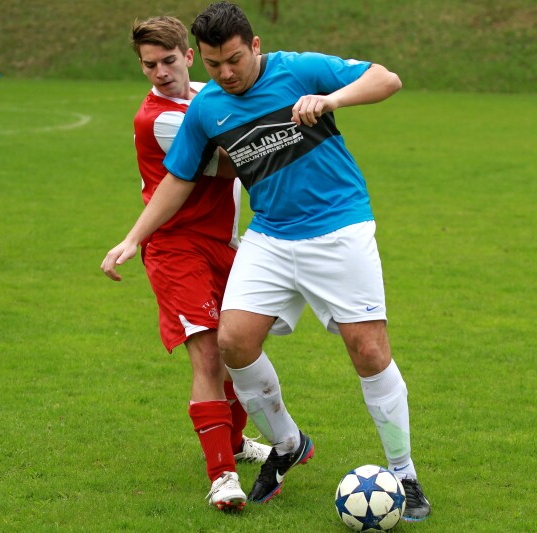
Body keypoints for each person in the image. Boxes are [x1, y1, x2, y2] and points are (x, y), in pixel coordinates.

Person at [101, 1, 432, 522]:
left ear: (255, 46)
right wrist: (131, 238)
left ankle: (405, 474)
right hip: (271, 235)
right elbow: (179, 178)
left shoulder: (298, 69)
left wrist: (330, 99)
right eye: (214, 64)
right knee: (232, 342)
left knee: (368, 350)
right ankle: (287, 442)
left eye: (234, 60)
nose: (226, 74)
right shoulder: (208, 108)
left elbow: (386, 79)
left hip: (339, 227)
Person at [105, 16, 270, 511]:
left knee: (238, 349)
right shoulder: (156, 119)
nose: (159, 73)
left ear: (190, 56)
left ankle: (235, 444)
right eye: (148, 65)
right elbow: (236, 161)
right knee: (208, 355)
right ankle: (221, 477)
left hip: (225, 244)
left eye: (168, 61)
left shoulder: (204, 92)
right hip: (177, 246)